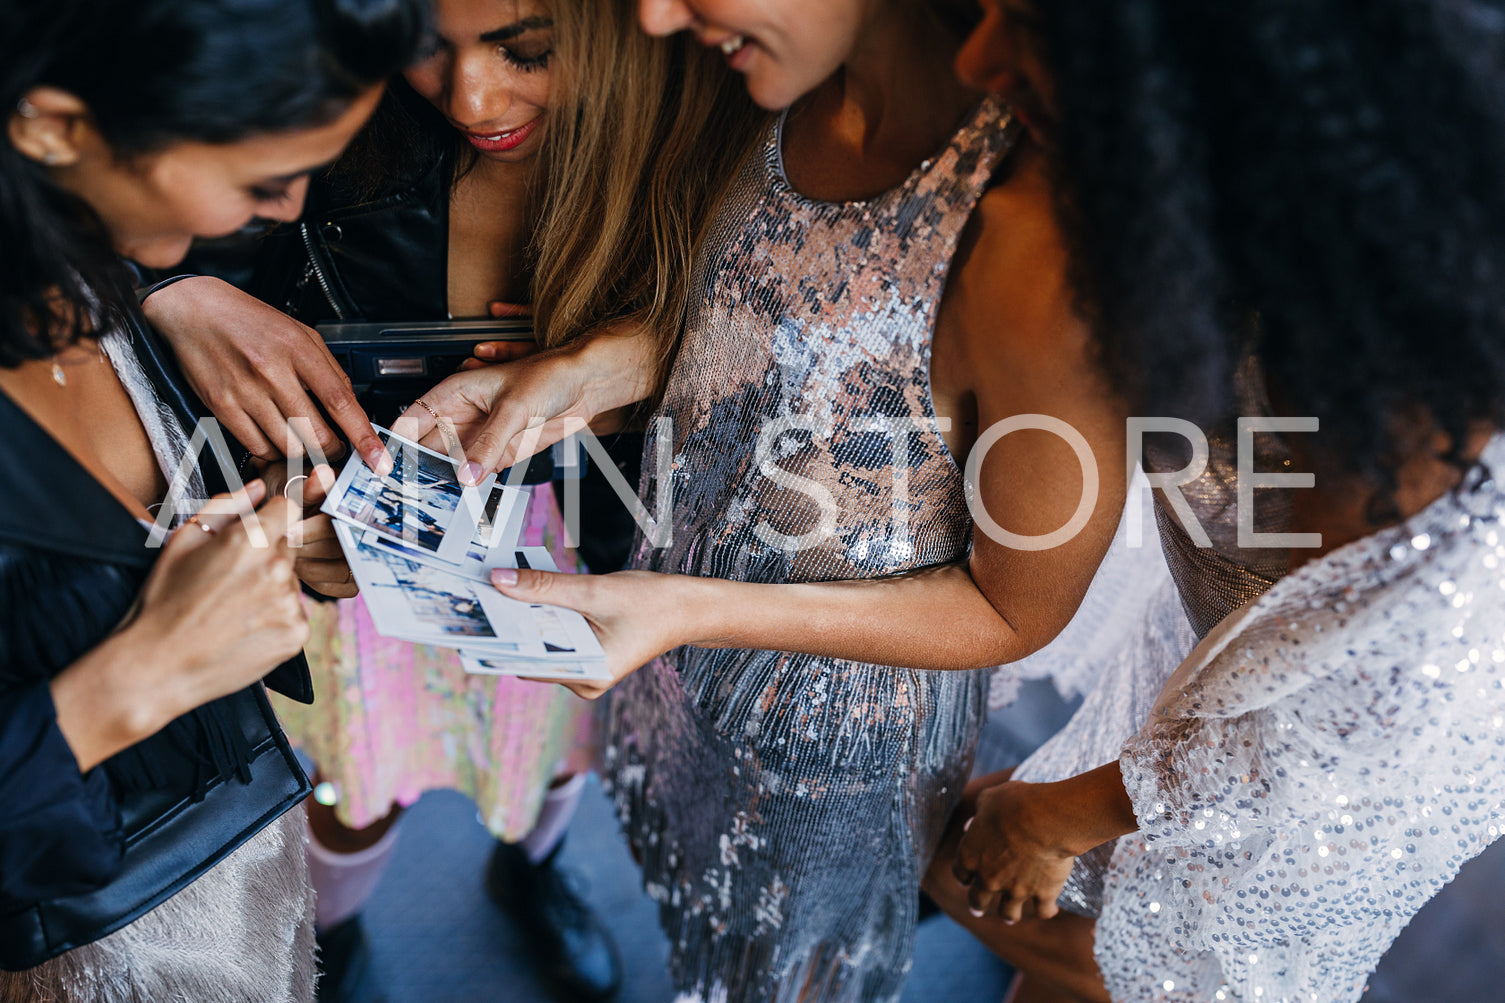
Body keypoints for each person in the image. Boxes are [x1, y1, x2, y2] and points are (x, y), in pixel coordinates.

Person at [397, 0, 1131, 997]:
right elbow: (775, 312)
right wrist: (586, 371)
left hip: (825, 744)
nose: (653, 14)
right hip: (673, 649)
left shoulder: (1031, 234)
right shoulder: (769, 82)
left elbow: (1012, 606)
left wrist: (684, 606)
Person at [140, 1, 760, 997]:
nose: (472, 98)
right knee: (350, 780)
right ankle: (334, 928)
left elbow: (798, 345)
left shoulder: (720, 132)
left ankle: (535, 865)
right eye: (425, 45)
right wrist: (166, 295)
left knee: (560, 750)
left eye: (528, 51)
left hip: (586, 544)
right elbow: (144, 256)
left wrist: (625, 361)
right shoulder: (323, 118)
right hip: (358, 546)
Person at [922, 2, 1505, 1002]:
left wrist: (1055, 818)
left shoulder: (1389, 386)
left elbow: (1338, 719)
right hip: (1227, 674)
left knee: (1124, 962)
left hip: (1314, 763)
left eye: (1030, 23)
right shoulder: (1252, 211)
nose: (975, 60)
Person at [0, 0, 426, 1000]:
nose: (288, 211)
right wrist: (137, 678)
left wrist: (271, 561)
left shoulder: (91, 265)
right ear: (53, 125)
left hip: (243, 890)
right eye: (264, 179)